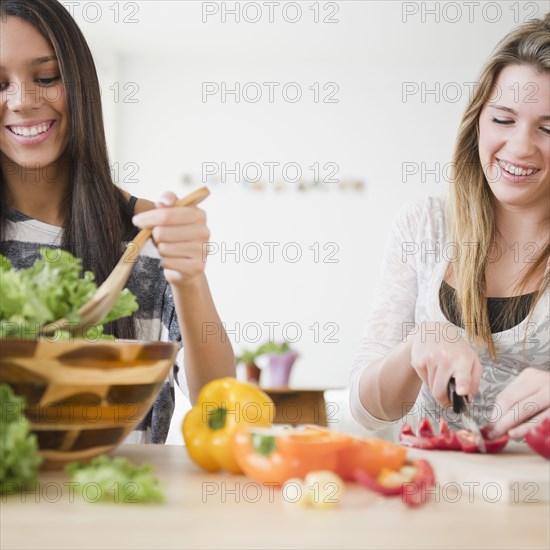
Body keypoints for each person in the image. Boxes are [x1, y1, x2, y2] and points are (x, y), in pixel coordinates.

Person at [0, 0, 235, 443]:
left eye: (47, 78)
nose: (24, 101)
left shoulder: (145, 231)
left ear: (81, 82)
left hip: (119, 503)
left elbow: (219, 407)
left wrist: (189, 278)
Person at [350, 14, 549, 442]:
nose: (520, 146)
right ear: (477, 119)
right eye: (502, 120)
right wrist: (418, 342)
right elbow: (368, 410)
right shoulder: (423, 225)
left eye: (549, 128)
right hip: (424, 494)